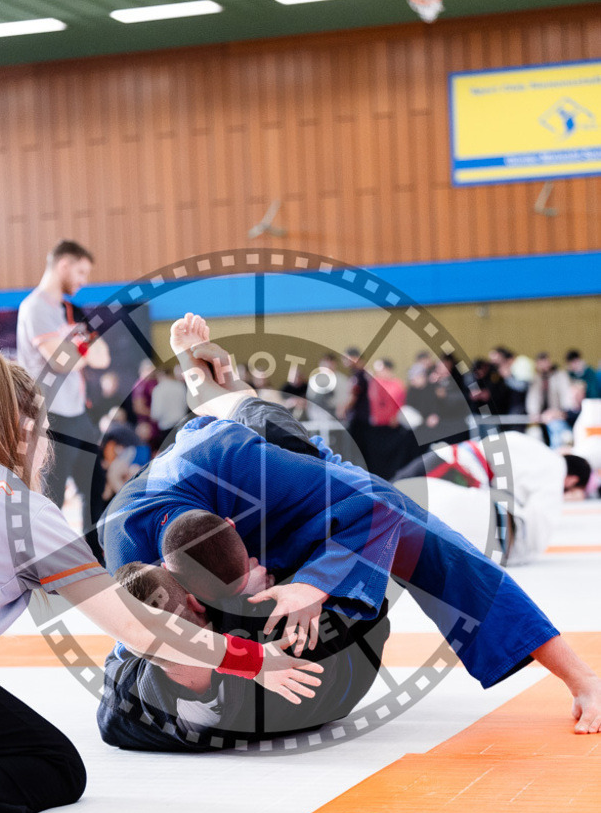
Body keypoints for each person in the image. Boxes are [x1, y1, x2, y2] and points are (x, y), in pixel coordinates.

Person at [99, 313, 601, 734]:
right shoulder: (124, 552)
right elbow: (143, 643)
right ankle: (207, 386)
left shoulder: (254, 463)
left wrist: (314, 585)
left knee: (413, 534)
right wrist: (236, 656)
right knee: (222, 416)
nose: (259, 568)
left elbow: (385, 515)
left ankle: (206, 381)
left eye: (253, 566)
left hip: (260, 453)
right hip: (192, 479)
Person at [0, 350, 323, 813]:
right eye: (44, 431)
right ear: (23, 428)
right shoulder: (19, 510)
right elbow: (138, 629)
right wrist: (252, 660)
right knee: (51, 765)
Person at [98, 562, 389, 752]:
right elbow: (371, 608)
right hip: (340, 681)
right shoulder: (287, 644)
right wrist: (236, 599)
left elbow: (128, 646)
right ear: (194, 601)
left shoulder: (122, 714)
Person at [16, 239, 110, 559]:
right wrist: (79, 348)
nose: (84, 281)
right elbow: (59, 360)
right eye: (81, 272)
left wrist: (74, 348)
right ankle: (49, 569)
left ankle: (95, 560)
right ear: (64, 265)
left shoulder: (67, 312)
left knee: (96, 489)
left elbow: (102, 356)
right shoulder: (35, 308)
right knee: (51, 499)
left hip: (78, 416)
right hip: (51, 416)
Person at [393, 431, 592, 564]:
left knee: (387, 495)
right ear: (572, 479)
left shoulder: (533, 448)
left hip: (449, 457)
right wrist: (520, 553)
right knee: (389, 506)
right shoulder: (554, 470)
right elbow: (540, 523)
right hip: (457, 472)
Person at [526, 352, 574, 447]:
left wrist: (560, 412)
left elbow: (567, 396)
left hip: (557, 415)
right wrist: (534, 413)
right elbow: (532, 398)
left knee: (558, 433)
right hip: (540, 417)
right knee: (534, 434)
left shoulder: (560, 376)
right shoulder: (536, 378)